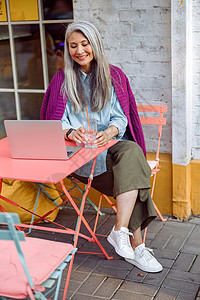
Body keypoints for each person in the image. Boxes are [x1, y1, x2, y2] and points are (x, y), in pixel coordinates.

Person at [41, 21, 163, 273]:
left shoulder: (114, 75)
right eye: (73, 45)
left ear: (95, 44)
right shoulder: (61, 80)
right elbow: (53, 122)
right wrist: (72, 132)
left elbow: (121, 117)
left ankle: (120, 230)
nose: (79, 50)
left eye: (85, 44)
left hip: (110, 147)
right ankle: (137, 247)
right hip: (81, 156)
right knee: (135, 177)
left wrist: (109, 131)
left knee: (131, 152)